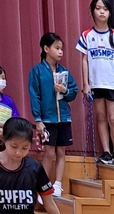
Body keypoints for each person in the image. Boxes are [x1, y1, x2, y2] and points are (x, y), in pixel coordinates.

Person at [76, 0, 114, 166]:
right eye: (98, 8)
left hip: (112, 83)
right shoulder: (86, 35)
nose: (101, 12)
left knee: (113, 118)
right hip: (95, 83)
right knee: (100, 117)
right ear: (93, 11)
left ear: (110, 13)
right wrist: (86, 84)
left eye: (105, 9)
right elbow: (84, 60)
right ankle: (106, 152)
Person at [27, 34, 79, 196]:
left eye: (61, 48)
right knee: (49, 153)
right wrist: (38, 119)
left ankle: (57, 184)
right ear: (46, 49)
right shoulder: (37, 71)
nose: (60, 51)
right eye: (57, 48)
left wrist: (65, 91)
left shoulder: (64, 71)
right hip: (47, 119)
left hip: (64, 118)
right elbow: (34, 96)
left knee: (61, 152)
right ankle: (42, 186)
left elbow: (73, 92)